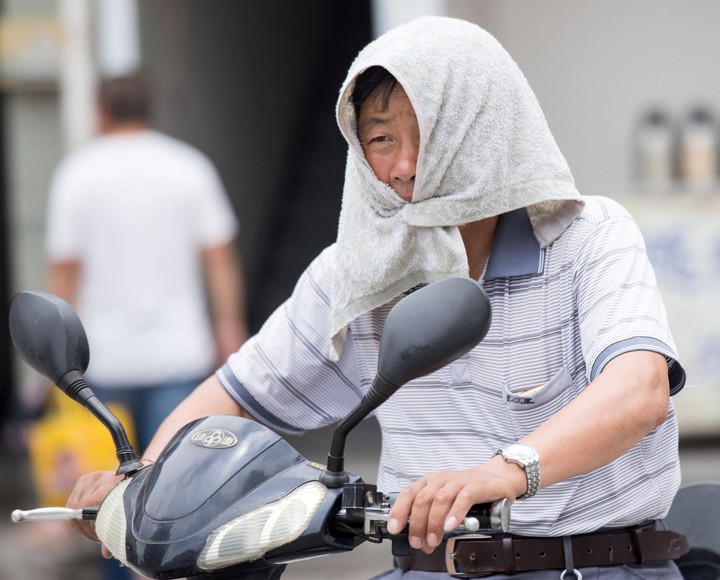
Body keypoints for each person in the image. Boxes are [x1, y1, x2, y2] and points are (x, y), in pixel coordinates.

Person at [67, 18, 687, 579]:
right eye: (381, 139)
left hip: (593, 567)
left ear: (485, 126)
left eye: (429, 133)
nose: (405, 166)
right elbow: (235, 396)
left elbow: (639, 393)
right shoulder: (354, 277)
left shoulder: (588, 237)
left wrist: (501, 473)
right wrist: (142, 486)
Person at [46, 76, 248, 579]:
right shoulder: (188, 167)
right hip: (178, 357)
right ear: (148, 109)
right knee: (176, 499)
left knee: (106, 506)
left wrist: (51, 360)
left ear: (100, 112)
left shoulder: (77, 174)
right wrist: (230, 327)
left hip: (99, 365)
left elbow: (63, 273)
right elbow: (220, 259)